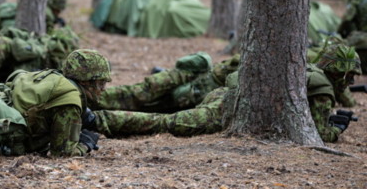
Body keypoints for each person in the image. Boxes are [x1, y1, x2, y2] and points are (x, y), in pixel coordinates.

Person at [85, 38, 361, 143]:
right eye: (350, 76)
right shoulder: (322, 86)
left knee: (160, 111)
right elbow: (321, 135)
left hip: (222, 96)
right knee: (169, 122)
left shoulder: (307, 70)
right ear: (343, 73)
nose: (350, 82)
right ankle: (99, 120)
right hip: (224, 104)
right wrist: (336, 129)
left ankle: (98, 115)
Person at [90, 52, 239, 113]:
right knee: (140, 94)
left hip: (190, 91)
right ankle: (90, 101)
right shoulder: (244, 61)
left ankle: (92, 104)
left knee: (144, 103)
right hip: (189, 81)